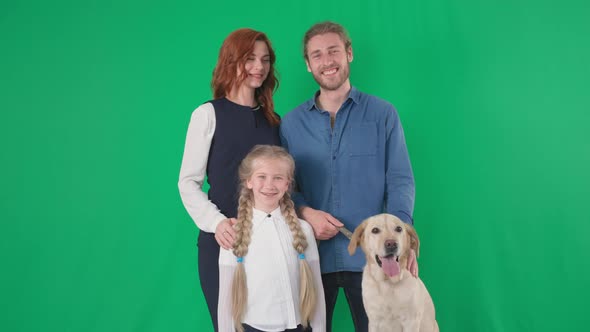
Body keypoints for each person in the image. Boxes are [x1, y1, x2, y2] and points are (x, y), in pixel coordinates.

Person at [279, 21, 417, 332]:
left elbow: (400, 181)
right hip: (311, 258)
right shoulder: (290, 125)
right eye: (317, 55)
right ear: (307, 64)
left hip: (374, 262)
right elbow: (285, 189)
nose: (326, 62)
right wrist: (307, 213)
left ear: (349, 54)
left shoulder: (384, 115)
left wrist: (400, 241)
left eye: (333, 51)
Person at [178, 28, 281, 332]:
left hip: (269, 244)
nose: (259, 67)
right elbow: (188, 182)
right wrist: (217, 223)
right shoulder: (207, 115)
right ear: (231, 61)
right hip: (223, 242)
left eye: (265, 60)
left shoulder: (274, 122)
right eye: (250, 59)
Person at [217, 145, 326, 332]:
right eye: (262, 177)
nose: (269, 185)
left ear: (287, 184)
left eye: (278, 178)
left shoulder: (304, 229)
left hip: (298, 326)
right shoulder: (233, 233)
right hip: (252, 327)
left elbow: (316, 289)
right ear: (248, 181)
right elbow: (226, 300)